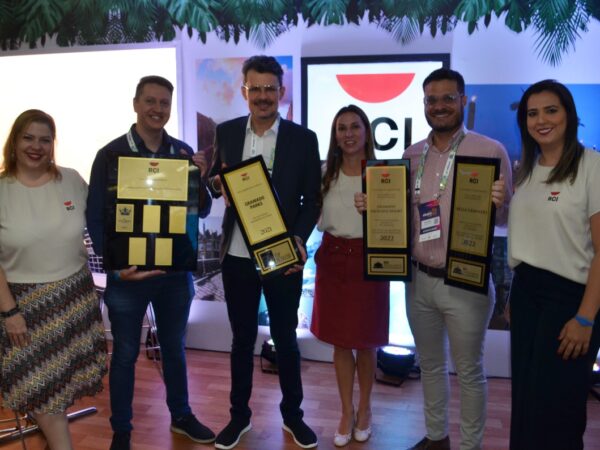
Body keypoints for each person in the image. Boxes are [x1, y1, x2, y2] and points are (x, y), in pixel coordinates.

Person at [356, 68, 511, 450]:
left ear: (462, 100)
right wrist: (373, 207)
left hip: (466, 282)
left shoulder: (490, 151)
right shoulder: (411, 155)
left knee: (469, 371)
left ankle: (470, 446)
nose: (439, 106)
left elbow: (505, 219)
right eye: (432, 100)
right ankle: (437, 437)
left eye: (447, 98)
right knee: (430, 364)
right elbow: (401, 215)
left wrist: (503, 203)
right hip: (418, 280)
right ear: (424, 104)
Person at [86, 75, 213, 450]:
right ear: (136, 104)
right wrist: (113, 267)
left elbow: (202, 209)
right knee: (125, 354)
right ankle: (121, 430)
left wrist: (199, 177)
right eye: (151, 101)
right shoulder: (110, 154)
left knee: (173, 348)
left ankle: (181, 416)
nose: (158, 109)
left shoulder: (182, 152)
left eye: (164, 103)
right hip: (127, 276)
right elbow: (95, 216)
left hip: (173, 275)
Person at [208, 55, 321, 450]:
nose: (262, 96)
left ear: (281, 91)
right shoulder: (226, 132)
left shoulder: (303, 139)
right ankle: (239, 417)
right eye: (254, 89)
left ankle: (293, 417)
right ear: (244, 92)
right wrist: (216, 185)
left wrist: (299, 239)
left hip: (282, 256)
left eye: (269, 89)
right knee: (241, 340)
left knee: (285, 338)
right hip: (238, 257)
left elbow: (312, 200)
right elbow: (213, 181)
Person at [0, 109, 107, 450]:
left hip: (74, 298)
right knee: (40, 388)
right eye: (28, 138)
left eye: (44, 140)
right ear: (14, 142)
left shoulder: (71, 180)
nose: (36, 146)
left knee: (60, 386)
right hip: (22, 308)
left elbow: (107, 217)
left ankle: (50, 438)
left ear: (52, 145)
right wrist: (9, 313)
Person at [508, 79, 600, 450]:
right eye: (532, 113)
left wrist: (585, 318)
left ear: (569, 115)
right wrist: (515, 297)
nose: (541, 120)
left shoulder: (592, 166)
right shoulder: (527, 170)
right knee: (526, 403)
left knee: (558, 408)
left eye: (551, 110)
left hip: (571, 301)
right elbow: (530, 240)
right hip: (527, 295)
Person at [310, 105, 389, 447]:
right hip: (333, 259)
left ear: (367, 131)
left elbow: (396, 221)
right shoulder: (324, 173)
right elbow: (310, 215)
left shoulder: (384, 173)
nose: (348, 134)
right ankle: (346, 411)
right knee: (341, 343)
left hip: (370, 262)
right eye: (341, 128)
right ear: (335, 135)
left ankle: (366, 409)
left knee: (367, 342)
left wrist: (378, 208)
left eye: (355, 126)